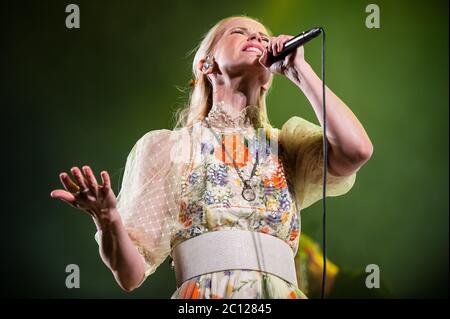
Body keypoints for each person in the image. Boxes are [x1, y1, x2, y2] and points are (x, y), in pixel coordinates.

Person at [50, 15, 373, 299]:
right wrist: (108, 219)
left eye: (263, 36)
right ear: (207, 64)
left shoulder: (288, 146)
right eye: (240, 32)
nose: (257, 39)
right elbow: (130, 275)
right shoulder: (168, 148)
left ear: (269, 79)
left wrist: (300, 70)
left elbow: (356, 150)